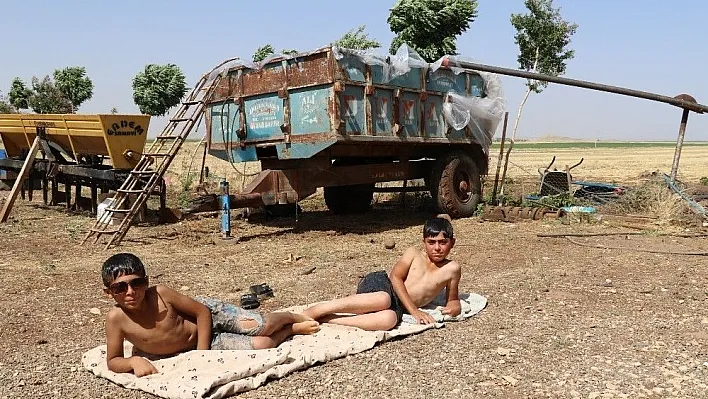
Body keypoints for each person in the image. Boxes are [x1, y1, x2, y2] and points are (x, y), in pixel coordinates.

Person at [101, 253, 320, 377]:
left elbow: (202, 312)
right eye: (120, 287)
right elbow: (113, 360)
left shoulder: (161, 294)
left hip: (211, 318)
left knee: (261, 326)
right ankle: (290, 330)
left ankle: (288, 317)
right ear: (109, 292)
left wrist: (202, 355)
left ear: (146, 282)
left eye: (136, 283)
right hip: (206, 343)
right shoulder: (116, 319)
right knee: (264, 344)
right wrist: (133, 362)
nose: (130, 292)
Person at [304, 216, 461, 331]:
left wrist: (454, 308)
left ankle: (329, 320)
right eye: (431, 242)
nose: (437, 248)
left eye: (443, 242)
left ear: (451, 243)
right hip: (384, 285)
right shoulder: (414, 253)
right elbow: (395, 277)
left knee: (389, 320)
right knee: (383, 299)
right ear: (424, 243)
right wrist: (414, 310)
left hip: (398, 306)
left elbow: (452, 300)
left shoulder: (452, 269)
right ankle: (318, 310)